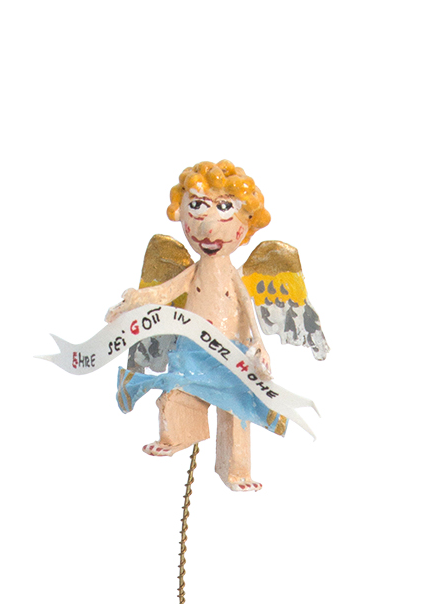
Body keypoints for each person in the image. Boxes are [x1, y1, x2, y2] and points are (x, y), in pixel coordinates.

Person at [106, 159, 327, 491]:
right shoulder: (194, 272)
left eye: (224, 209)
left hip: (231, 353)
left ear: (246, 225)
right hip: (191, 351)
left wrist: (260, 344)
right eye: (197, 207)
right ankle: (177, 437)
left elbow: (247, 306)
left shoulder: (232, 275)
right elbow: (165, 292)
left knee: (237, 410)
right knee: (177, 392)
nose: (209, 227)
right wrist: (136, 299)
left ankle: (236, 469)